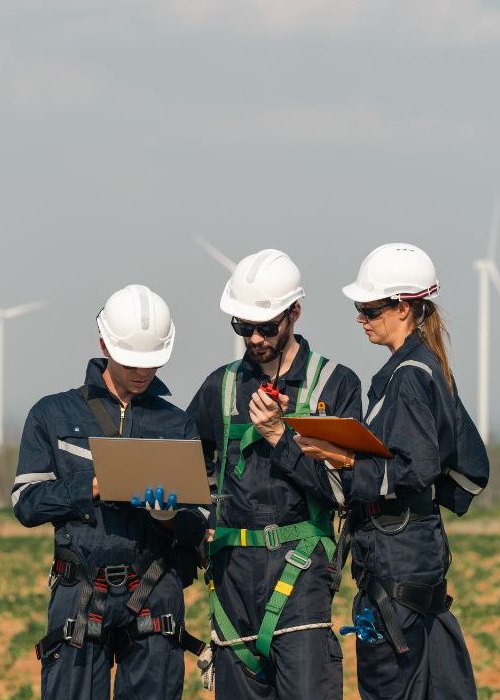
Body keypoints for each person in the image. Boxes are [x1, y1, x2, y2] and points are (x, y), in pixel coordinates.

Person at [295, 242, 489, 700]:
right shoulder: (430, 366)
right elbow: (466, 465)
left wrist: (338, 457)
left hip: (395, 566)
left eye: (369, 308)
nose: (361, 318)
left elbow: (414, 467)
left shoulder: (408, 377)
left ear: (403, 307)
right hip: (419, 557)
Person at [12, 284, 207, 700]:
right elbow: (25, 503)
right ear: (104, 343)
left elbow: (200, 524)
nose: (142, 373)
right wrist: (93, 486)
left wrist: (168, 518)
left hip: (155, 594)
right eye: (131, 362)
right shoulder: (52, 414)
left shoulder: (177, 425)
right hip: (80, 593)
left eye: (152, 363)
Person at [187, 249, 363, 698]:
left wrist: (279, 436)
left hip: (300, 572)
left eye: (267, 327)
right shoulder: (220, 387)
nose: (256, 338)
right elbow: (187, 469)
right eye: (244, 327)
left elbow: (343, 490)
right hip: (232, 579)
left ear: (296, 313)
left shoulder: (335, 386)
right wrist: (191, 522)